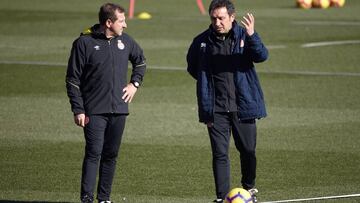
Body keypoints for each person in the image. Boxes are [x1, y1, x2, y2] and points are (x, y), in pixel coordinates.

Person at [186, 0, 268, 202]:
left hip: (244, 105)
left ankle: (249, 187)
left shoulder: (243, 35)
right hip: (215, 108)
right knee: (220, 153)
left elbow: (262, 56)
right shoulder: (201, 42)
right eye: (213, 18)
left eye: (221, 18)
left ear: (232, 17)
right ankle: (222, 197)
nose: (217, 22)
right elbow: (192, 67)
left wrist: (252, 36)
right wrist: (208, 85)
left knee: (248, 150)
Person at [65, 3, 146, 203]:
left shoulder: (126, 41)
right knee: (94, 153)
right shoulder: (84, 43)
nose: (125, 25)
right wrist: (78, 109)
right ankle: (86, 198)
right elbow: (72, 80)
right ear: (108, 22)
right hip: (94, 111)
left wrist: (134, 84)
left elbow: (141, 61)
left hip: (119, 109)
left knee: (111, 155)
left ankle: (104, 198)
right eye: (121, 21)